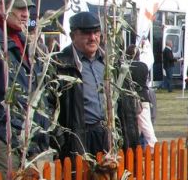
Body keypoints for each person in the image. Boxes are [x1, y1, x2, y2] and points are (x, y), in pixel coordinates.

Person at [51, 11, 140, 160]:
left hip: (110, 135)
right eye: (86, 33)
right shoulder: (60, 64)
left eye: (96, 32)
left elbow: (126, 105)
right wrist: (62, 141)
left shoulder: (112, 63)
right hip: (80, 139)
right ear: (73, 36)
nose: (92, 38)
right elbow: (50, 107)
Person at [0, 0, 50, 173]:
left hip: (26, 135)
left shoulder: (24, 41)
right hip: (4, 136)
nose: (26, 13)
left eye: (28, 8)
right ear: (1, 7)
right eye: (20, 7)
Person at [127, 43, 157, 147]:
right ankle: (151, 146)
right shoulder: (143, 66)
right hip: (144, 97)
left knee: (140, 126)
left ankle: (151, 145)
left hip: (132, 100)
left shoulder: (127, 68)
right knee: (146, 125)